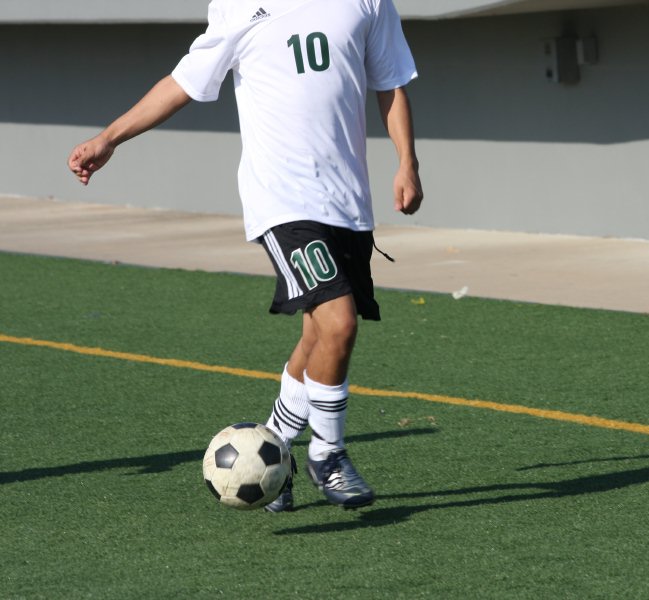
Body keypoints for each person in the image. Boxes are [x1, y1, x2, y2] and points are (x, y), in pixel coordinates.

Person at [67, 0, 423, 512]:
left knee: (319, 334)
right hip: (281, 201)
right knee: (340, 323)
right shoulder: (237, 5)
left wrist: (407, 163)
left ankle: (276, 445)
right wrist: (109, 138)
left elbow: (390, 81)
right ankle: (328, 454)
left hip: (348, 203)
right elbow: (184, 82)